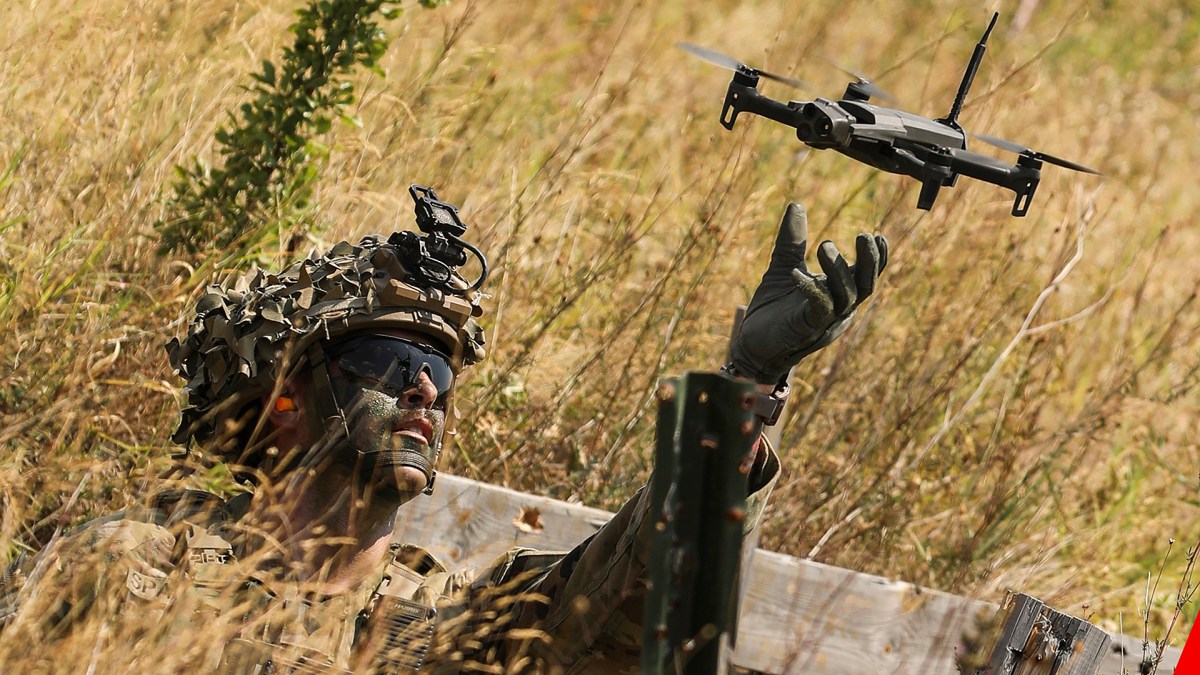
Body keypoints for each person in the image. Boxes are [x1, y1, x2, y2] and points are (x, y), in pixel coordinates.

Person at [0, 198, 886, 673]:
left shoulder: (457, 629)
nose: (425, 387)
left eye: (441, 368)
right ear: (289, 397)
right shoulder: (136, 572)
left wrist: (743, 392)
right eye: (389, 359)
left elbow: (630, 611)